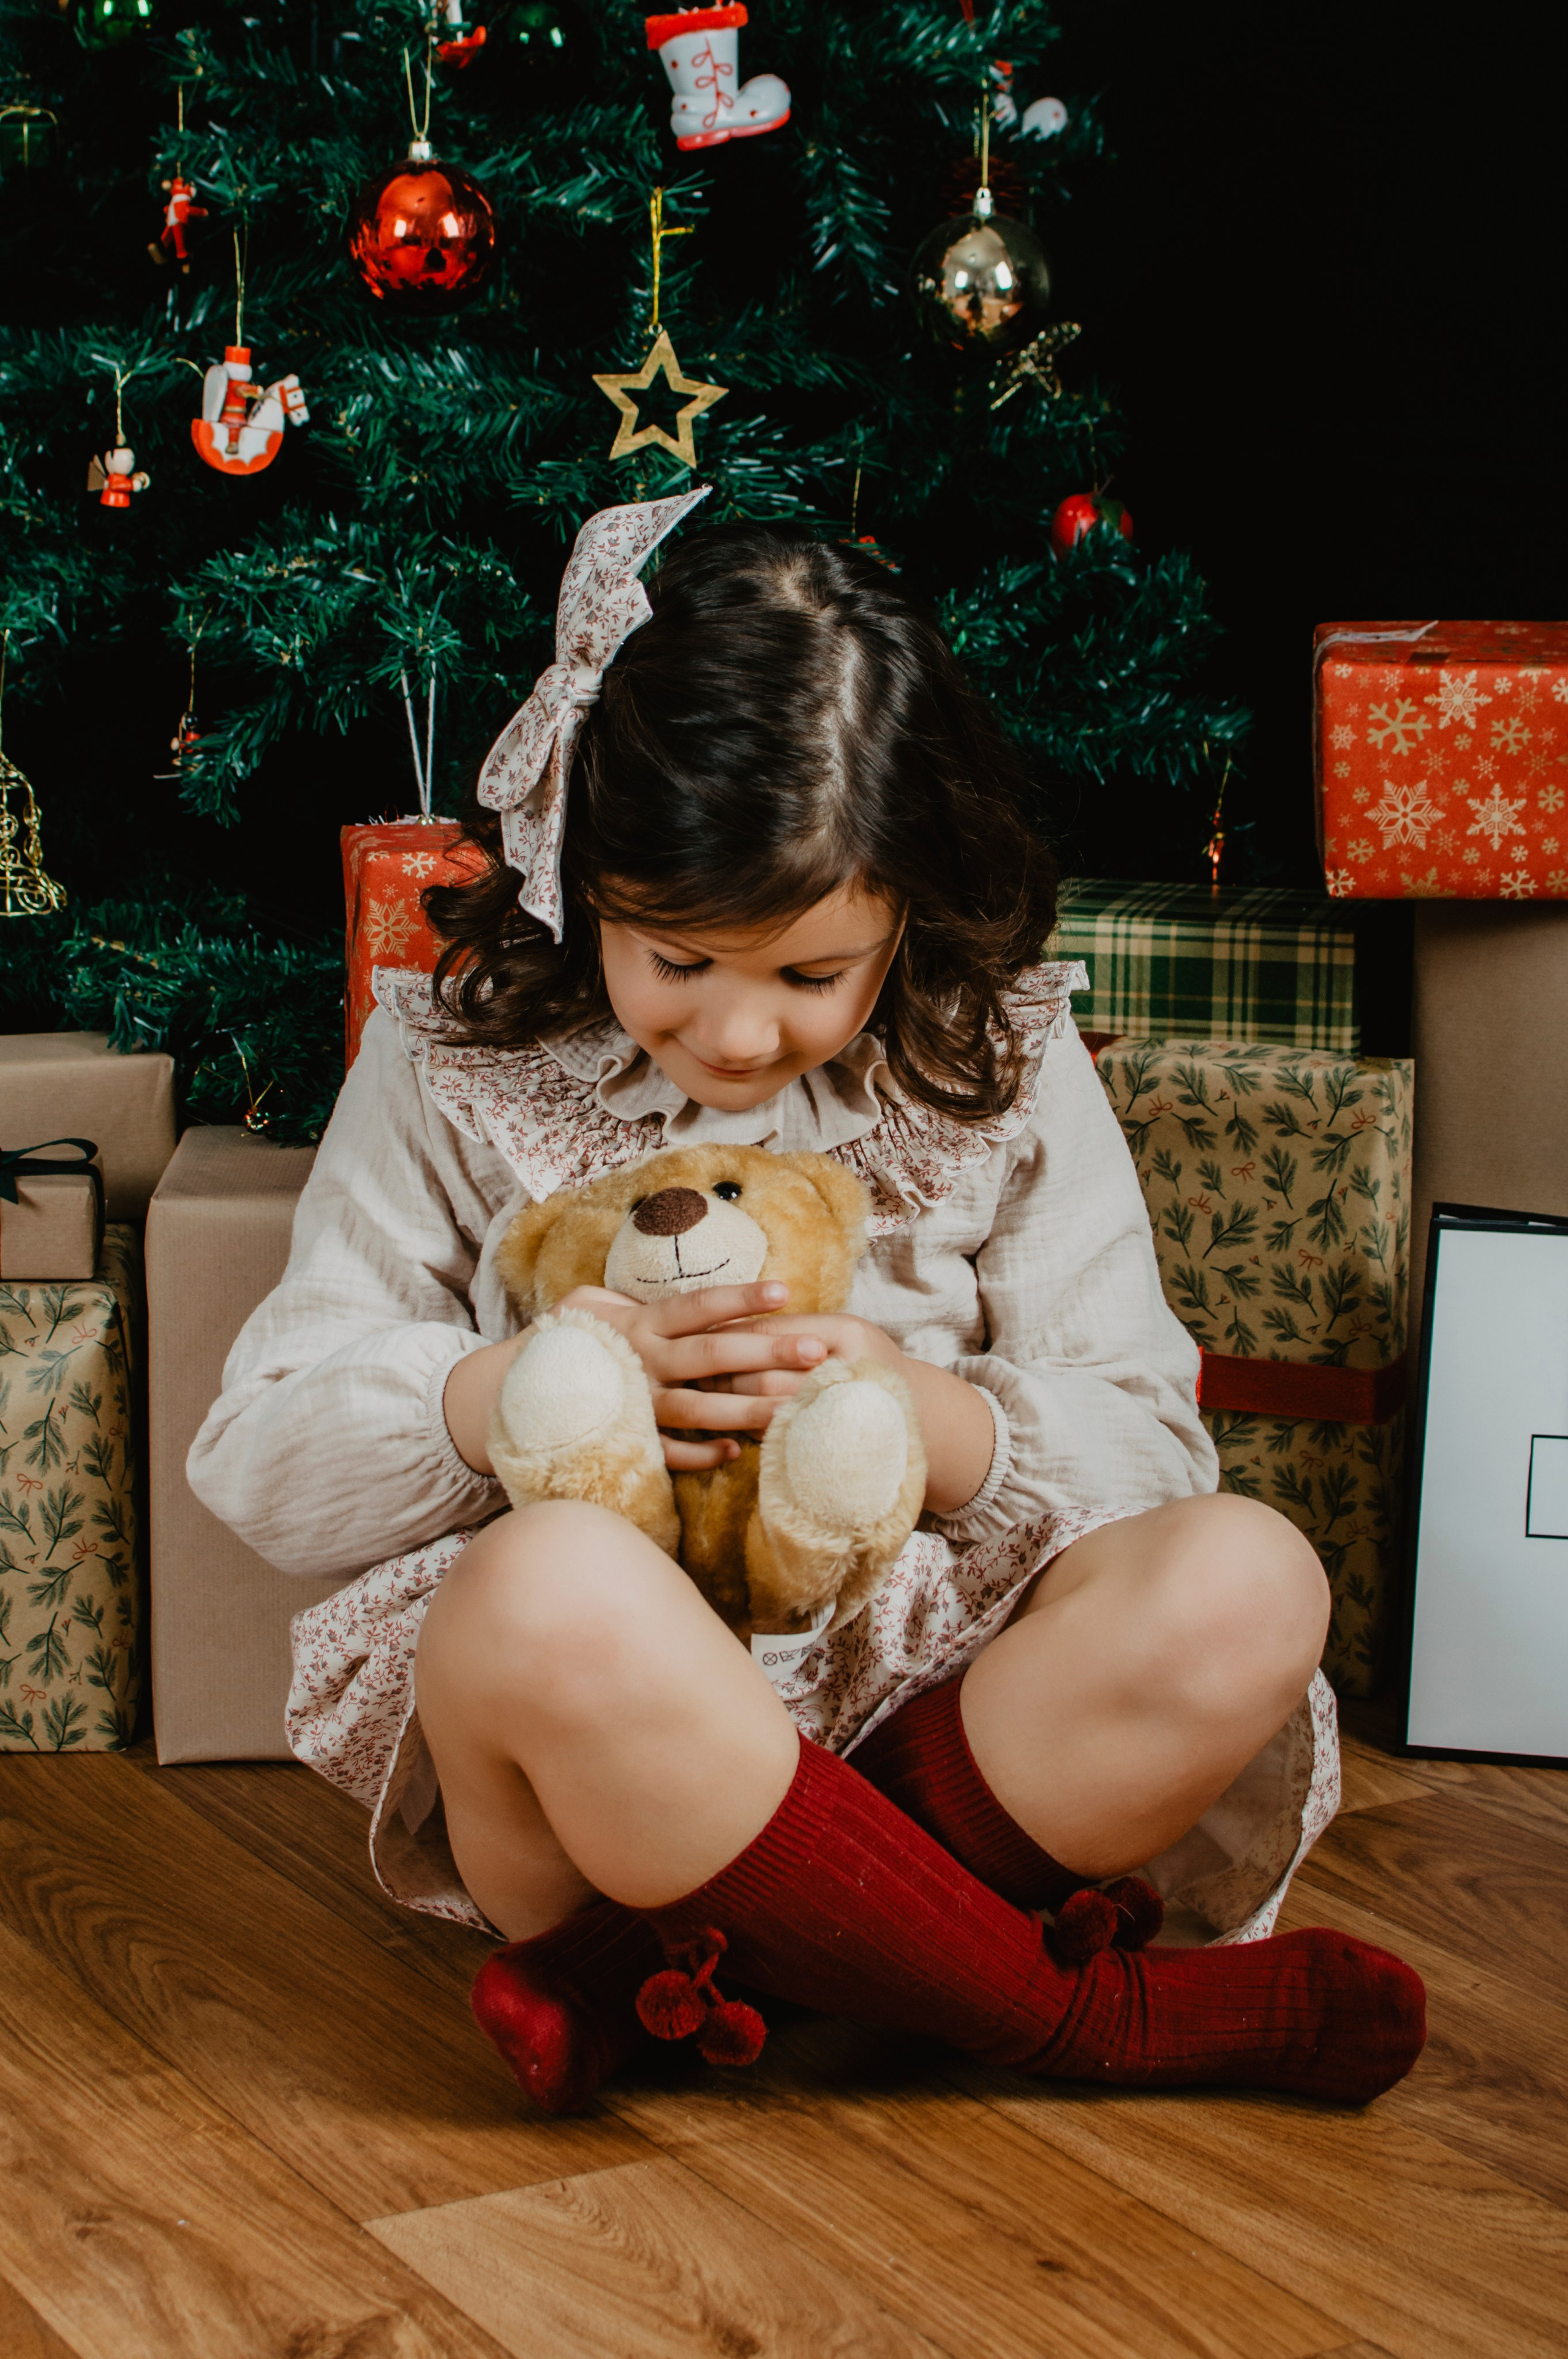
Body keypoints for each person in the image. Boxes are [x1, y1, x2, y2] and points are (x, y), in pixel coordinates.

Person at [189, 490, 1423, 2116]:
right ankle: (1077, 2018)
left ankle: (665, 1978)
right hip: (608, 1749)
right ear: (580, 874)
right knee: (540, 1586)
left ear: (906, 908)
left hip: (967, 1716)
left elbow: (1150, 1446)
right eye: (675, 959)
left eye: (808, 974)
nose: (737, 1034)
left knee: (1253, 1577)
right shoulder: (456, 1060)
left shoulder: (998, 1056)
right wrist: (509, 1395)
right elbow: (260, 1455)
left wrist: (932, 1416)